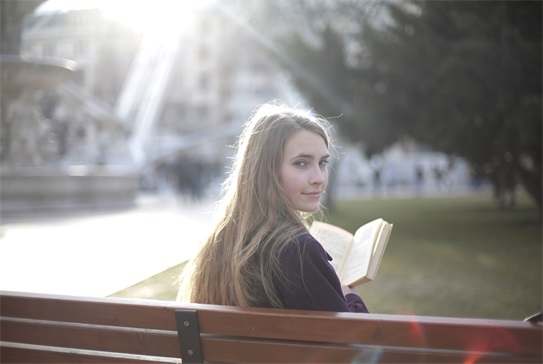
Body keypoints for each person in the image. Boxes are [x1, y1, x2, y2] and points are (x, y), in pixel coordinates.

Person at [178, 101, 368, 313]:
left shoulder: (220, 239)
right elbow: (353, 342)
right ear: (266, 170)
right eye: (301, 163)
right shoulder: (299, 251)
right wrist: (351, 297)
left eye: (323, 163)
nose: (319, 178)